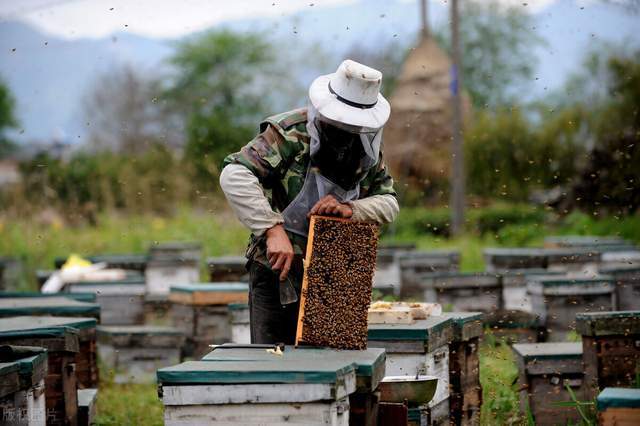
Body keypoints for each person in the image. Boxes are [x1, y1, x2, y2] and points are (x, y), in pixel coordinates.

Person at [220, 59, 399, 344]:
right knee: (272, 366)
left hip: (337, 272)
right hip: (276, 269)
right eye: (340, 123)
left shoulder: (368, 151)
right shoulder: (288, 133)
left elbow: (389, 203)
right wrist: (271, 228)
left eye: (354, 126)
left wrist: (352, 209)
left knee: (332, 373)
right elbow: (234, 173)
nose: (346, 132)